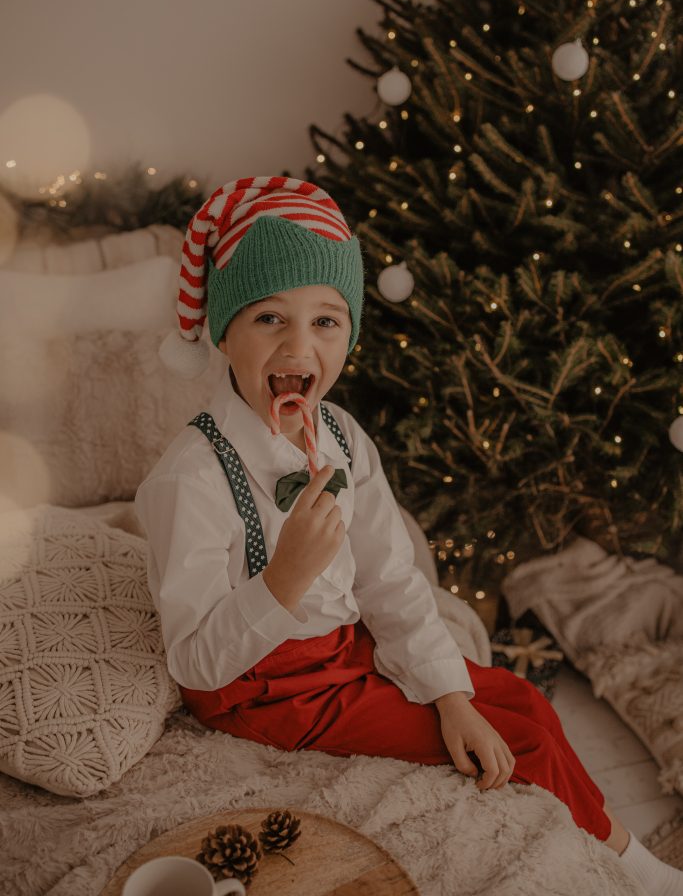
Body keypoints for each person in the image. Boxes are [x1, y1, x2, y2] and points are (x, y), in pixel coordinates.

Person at [136, 175, 681, 896]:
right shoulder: (194, 476)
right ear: (225, 330)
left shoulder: (341, 438)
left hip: (341, 650)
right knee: (513, 741)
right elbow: (196, 662)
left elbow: (390, 577)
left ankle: (610, 841)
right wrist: (283, 580)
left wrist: (447, 695)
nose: (300, 344)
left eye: (326, 322)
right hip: (264, 689)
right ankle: (635, 872)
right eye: (270, 318)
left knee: (519, 702)